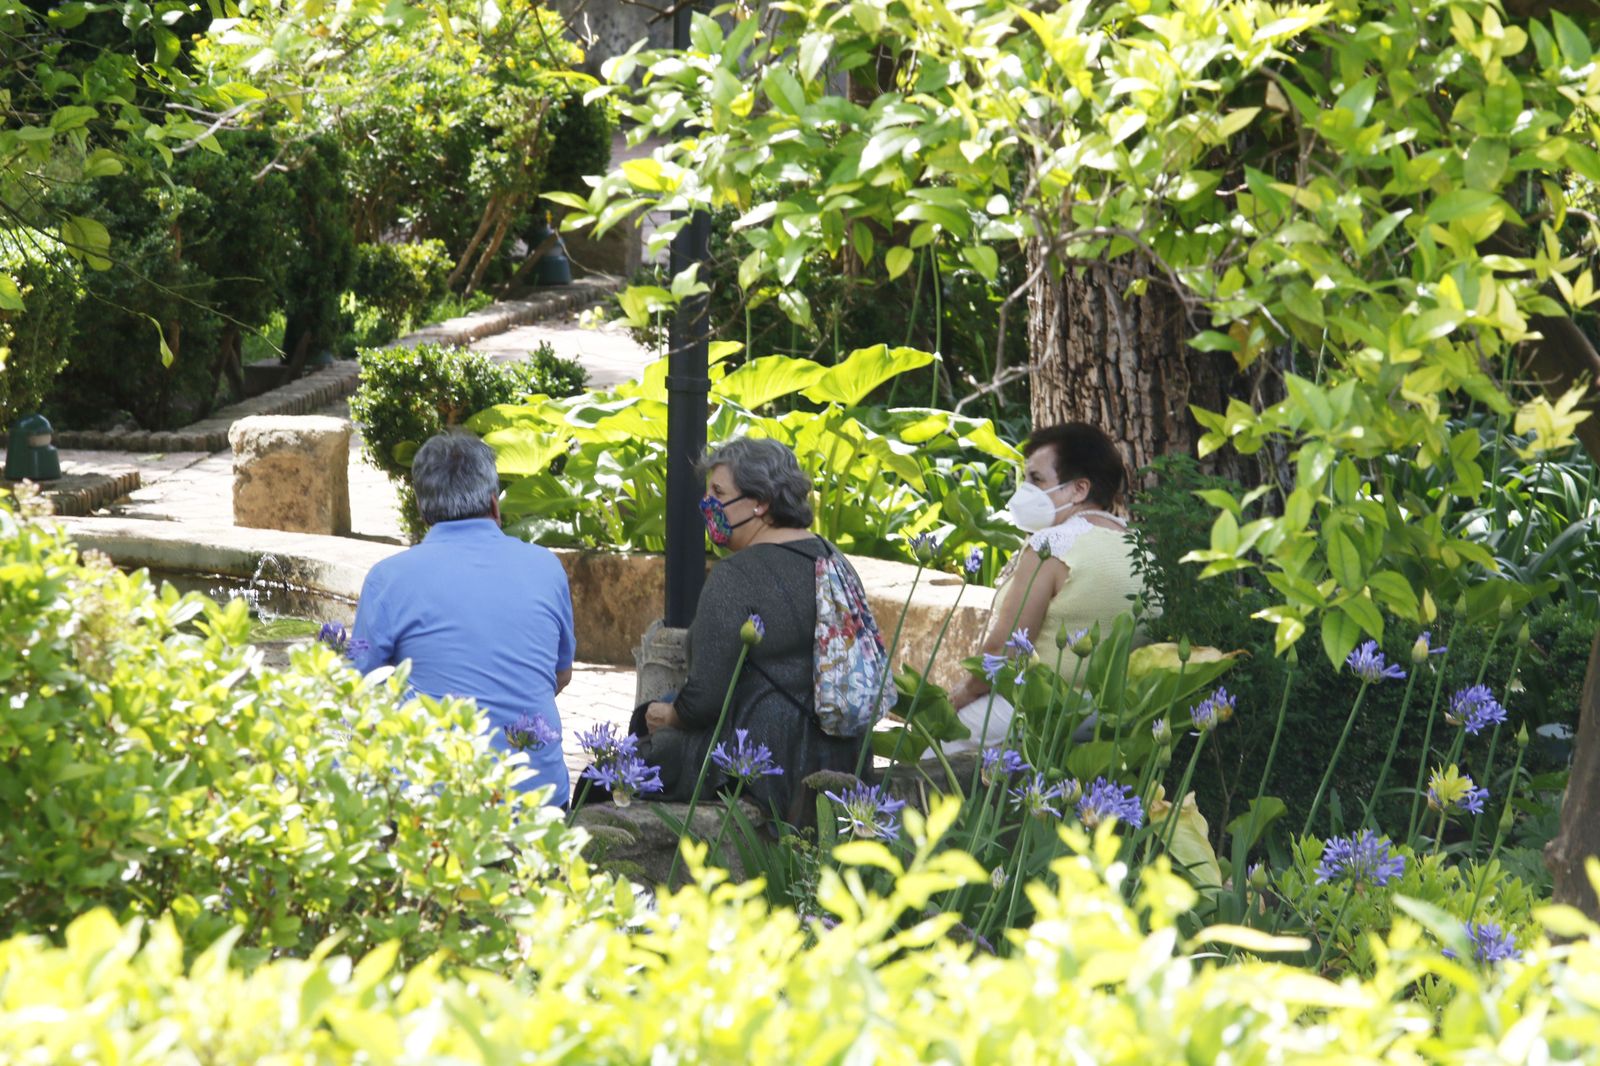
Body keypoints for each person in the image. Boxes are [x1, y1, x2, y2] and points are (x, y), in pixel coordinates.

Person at [631, 436, 860, 824]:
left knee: (619, 767)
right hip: (843, 753)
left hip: (765, 763)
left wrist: (666, 715)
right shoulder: (833, 559)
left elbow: (704, 700)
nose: (708, 506)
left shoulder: (736, 575)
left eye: (719, 493)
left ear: (761, 502)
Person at [351, 431, 576, 807]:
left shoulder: (388, 579)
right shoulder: (546, 567)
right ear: (494, 504)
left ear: (423, 511)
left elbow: (358, 691)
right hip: (539, 800)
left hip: (438, 806)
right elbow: (560, 674)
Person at [944, 422, 1142, 753]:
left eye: (1037, 480)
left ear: (1079, 489)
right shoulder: (1139, 549)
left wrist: (961, 696)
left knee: (930, 749)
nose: (1026, 492)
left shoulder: (1052, 545)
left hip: (1044, 709)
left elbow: (1003, 649)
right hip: (1119, 717)